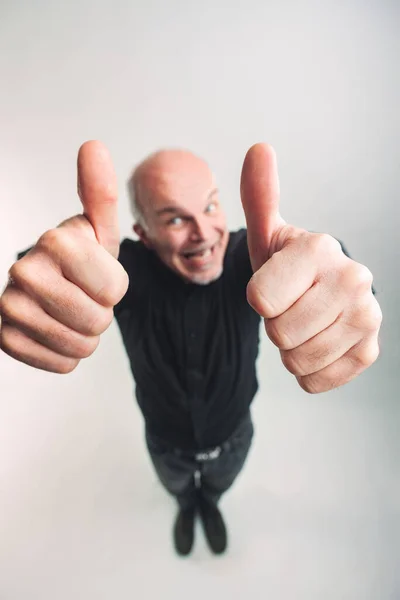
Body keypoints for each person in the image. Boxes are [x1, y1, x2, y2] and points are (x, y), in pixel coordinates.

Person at [0, 141, 381, 557]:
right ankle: (187, 507)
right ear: (143, 234)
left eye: (211, 207)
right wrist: (34, 284)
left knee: (218, 486)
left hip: (235, 436)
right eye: (177, 218)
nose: (204, 232)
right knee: (178, 488)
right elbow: (51, 270)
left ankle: (210, 505)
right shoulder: (121, 270)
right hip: (165, 443)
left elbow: (326, 265)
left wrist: (345, 287)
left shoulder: (250, 259)